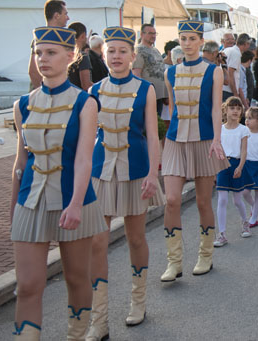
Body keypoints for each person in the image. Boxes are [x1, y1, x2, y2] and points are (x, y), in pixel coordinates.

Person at [10, 26, 106, 339]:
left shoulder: (85, 103)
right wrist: (13, 210)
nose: (42, 59)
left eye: (50, 53)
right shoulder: (22, 105)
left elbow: (83, 159)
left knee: (77, 279)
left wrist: (77, 202)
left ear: (70, 56)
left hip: (72, 199)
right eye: (38, 52)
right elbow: (20, 164)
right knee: (26, 286)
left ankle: (77, 335)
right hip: (31, 200)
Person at [86, 27, 166, 338]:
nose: (116, 57)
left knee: (135, 239)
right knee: (96, 242)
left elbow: (151, 134)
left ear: (132, 56)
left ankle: (138, 301)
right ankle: (99, 317)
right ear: (103, 55)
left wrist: (152, 174)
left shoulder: (145, 89)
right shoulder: (93, 91)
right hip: (101, 171)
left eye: (122, 51)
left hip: (135, 171)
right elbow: (85, 138)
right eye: (111, 51)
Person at [160, 20, 227, 282]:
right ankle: (174, 261)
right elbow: (173, 106)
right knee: (172, 200)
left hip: (204, 139)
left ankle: (205, 255)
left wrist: (217, 139)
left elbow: (214, 108)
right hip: (176, 139)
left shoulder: (214, 71)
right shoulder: (171, 73)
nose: (186, 43)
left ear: (201, 41)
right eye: (182, 38)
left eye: (191, 38)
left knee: (202, 201)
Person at [213, 97, 254, 247]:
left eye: (238, 108)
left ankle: (245, 223)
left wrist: (240, 167)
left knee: (237, 200)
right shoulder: (220, 129)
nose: (236, 111)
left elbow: (244, 151)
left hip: (237, 164)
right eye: (232, 108)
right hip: (223, 164)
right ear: (225, 110)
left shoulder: (243, 129)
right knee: (222, 199)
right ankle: (222, 234)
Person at [28, 0, 69, 89]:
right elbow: (33, 71)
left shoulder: (65, 38)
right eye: (65, 14)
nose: (68, 18)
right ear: (57, 16)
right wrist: (43, 94)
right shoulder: (41, 39)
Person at [132, 24, 168, 117]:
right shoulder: (139, 51)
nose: (153, 36)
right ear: (142, 34)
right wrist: (141, 94)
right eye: (150, 33)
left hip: (159, 94)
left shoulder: (155, 50)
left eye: (155, 33)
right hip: (148, 94)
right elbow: (136, 73)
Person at [222, 33, 249, 102]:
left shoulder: (228, 50)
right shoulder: (235, 53)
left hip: (223, 89)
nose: (249, 47)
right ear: (245, 43)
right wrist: (235, 94)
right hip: (228, 91)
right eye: (248, 44)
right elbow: (230, 73)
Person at [67, 22, 93, 91]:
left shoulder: (65, 54)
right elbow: (86, 85)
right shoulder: (82, 56)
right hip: (79, 97)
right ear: (83, 36)